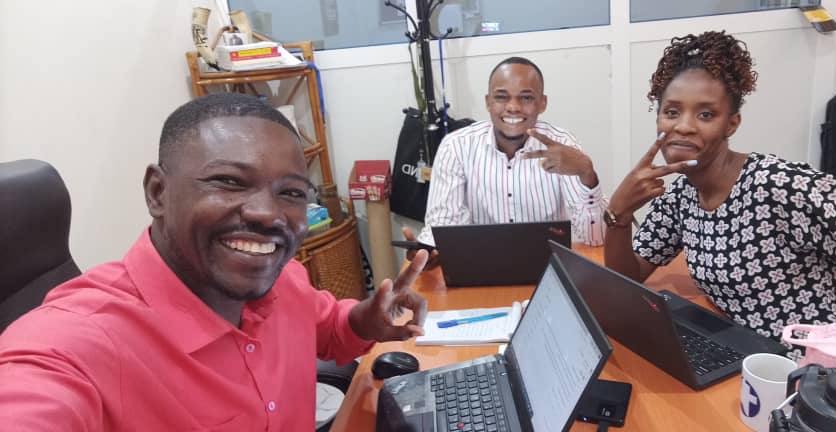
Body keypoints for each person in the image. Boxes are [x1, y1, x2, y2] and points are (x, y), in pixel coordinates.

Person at [0, 93, 430, 430]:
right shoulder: (74, 345)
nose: (267, 213)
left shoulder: (284, 281)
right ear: (157, 192)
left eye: (292, 192)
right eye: (228, 181)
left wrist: (364, 319)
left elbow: (331, 328)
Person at [603, 31, 836, 431]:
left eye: (705, 114)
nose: (684, 127)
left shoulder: (780, 185)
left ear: (732, 123)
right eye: (672, 112)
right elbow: (625, 281)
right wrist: (618, 214)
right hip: (765, 374)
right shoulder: (681, 196)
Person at [404, 56, 609, 267]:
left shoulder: (561, 146)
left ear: (543, 103)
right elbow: (444, 224)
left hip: (548, 270)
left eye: (526, 98)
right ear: (488, 102)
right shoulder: (456, 146)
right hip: (479, 269)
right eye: (502, 97)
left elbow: (595, 238)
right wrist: (430, 251)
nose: (513, 107)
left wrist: (587, 173)